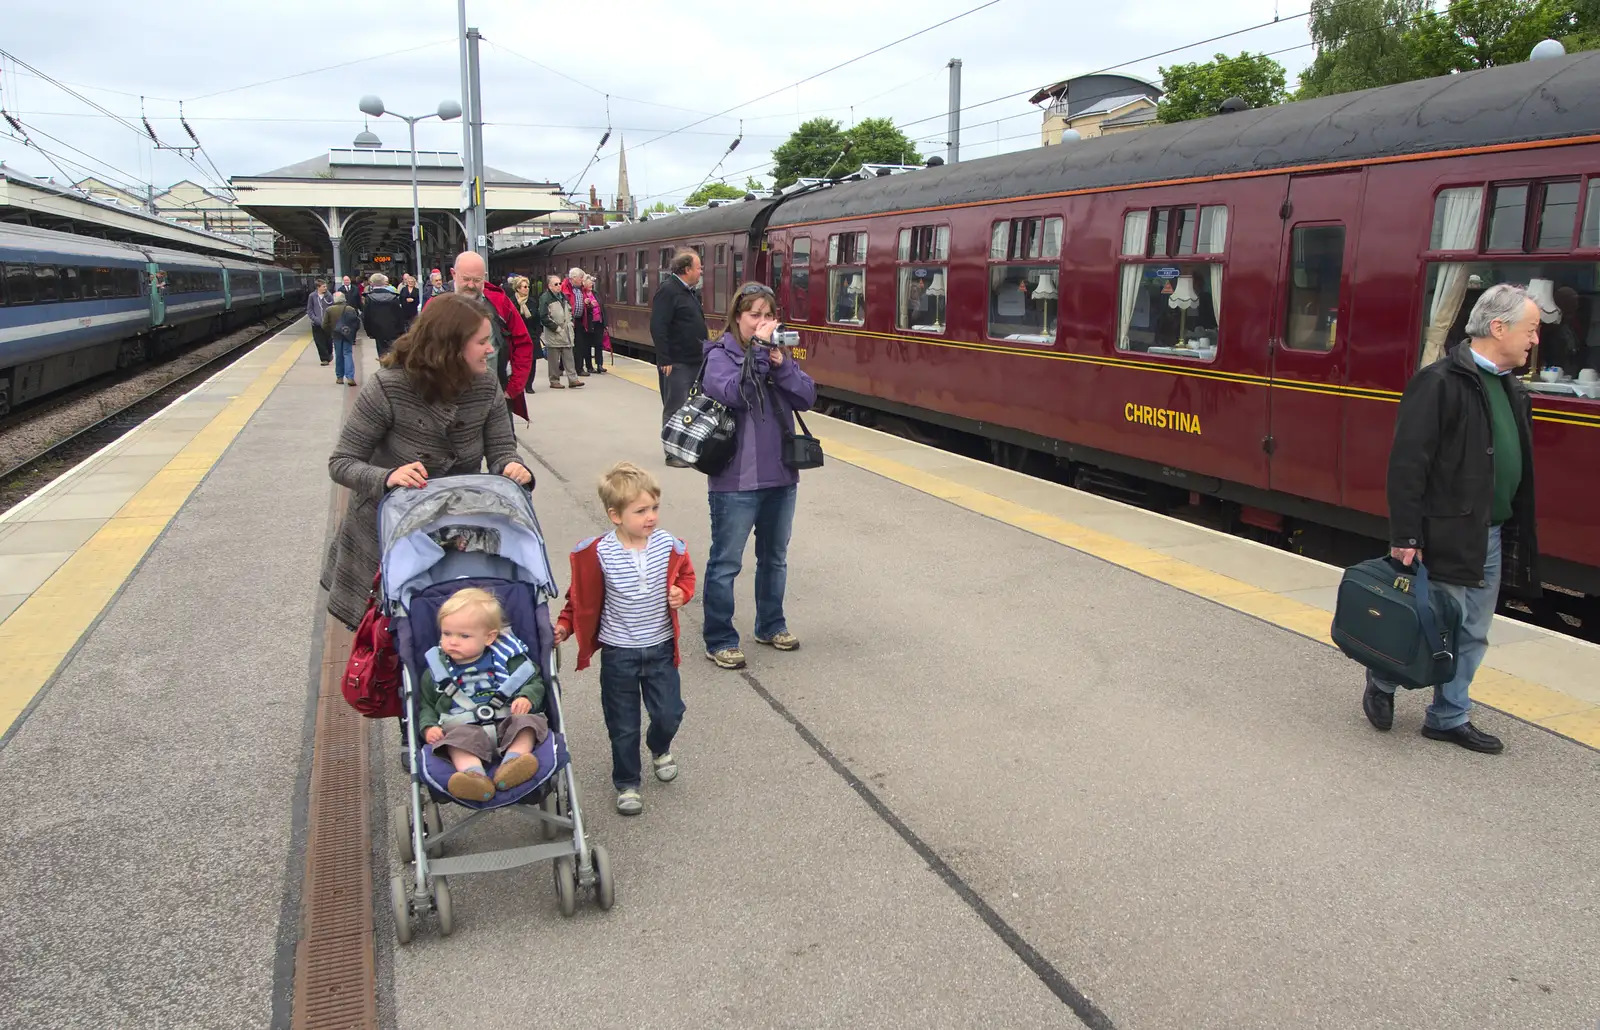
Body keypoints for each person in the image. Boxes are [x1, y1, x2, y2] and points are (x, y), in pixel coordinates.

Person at [1362, 283, 1540, 755]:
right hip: (1446, 531)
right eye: (1531, 329)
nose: (1535, 340)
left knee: (1473, 630)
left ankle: (1448, 716)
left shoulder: (1510, 388)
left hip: (1491, 533)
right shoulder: (1440, 381)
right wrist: (1405, 533)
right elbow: (1408, 463)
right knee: (1426, 623)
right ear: (1498, 327)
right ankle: (1383, 680)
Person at [321, 292, 535, 630]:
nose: (491, 349)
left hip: (454, 536)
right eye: (482, 342)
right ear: (451, 346)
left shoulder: (486, 385)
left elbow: (501, 450)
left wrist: (510, 467)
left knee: (454, 636)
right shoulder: (388, 386)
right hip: (386, 537)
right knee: (388, 645)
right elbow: (342, 462)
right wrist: (388, 476)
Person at [554, 462, 695, 815]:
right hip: (619, 653)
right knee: (622, 723)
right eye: (641, 511)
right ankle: (628, 782)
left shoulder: (669, 545)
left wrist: (682, 592)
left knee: (669, 713)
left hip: (660, 648)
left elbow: (686, 577)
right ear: (615, 515)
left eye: (654, 508)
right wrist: (564, 627)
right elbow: (579, 598)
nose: (651, 517)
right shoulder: (597, 553)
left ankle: (659, 746)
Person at [698, 282, 817, 670]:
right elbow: (736, 394)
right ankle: (719, 638)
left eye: (768, 315)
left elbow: (807, 396)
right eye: (754, 315)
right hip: (736, 480)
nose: (763, 323)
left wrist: (783, 367)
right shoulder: (720, 356)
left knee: (774, 558)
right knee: (726, 562)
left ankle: (771, 624)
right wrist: (762, 355)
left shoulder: (777, 353)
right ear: (737, 317)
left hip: (781, 476)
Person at [418, 587, 549, 801]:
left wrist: (526, 697)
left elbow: (533, 680)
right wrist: (429, 726)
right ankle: (473, 777)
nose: (452, 641)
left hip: (508, 719)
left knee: (527, 723)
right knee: (455, 741)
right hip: (464, 727)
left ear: (489, 638)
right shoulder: (437, 671)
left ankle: (513, 763)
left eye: (464, 636)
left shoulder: (508, 658)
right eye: (446, 633)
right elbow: (427, 704)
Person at [447, 251, 533, 422]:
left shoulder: (500, 303)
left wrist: (513, 388)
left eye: (477, 280)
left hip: (495, 396)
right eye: (465, 279)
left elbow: (522, 343)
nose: (471, 285)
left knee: (503, 445)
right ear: (453, 274)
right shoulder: (436, 307)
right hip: (450, 400)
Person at [651, 248, 708, 466]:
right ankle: (672, 453)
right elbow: (658, 326)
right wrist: (665, 359)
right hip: (676, 362)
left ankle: (687, 449)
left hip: (694, 360)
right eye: (698, 267)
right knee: (675, 407)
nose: (701, 271)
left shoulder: (688, 292)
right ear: (686, 269)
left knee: (692, 407)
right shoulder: (669, 291)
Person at [538, 273, 583, 389]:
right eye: (556, 284)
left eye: (559, 283)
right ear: (550, 286)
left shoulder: (563, 297)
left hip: (567, 332)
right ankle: (554, 380)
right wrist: (556, 328)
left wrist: (571, 323)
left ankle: (573, 379)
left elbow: (569, 311)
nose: (559, 286)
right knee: (553, 359)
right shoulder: (545, 298)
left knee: (569, 356)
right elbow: (543, 316)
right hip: (554, 333)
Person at [509, 275, 544, 393]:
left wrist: (537, 333)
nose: (527, 289)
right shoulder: (511, 302)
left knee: (532, 362)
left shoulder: (532, 301)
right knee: (518, 362)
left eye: (528, 286)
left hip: (531, 336)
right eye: (524, 287)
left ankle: (529, 385)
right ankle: (518, 383)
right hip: (517, 337)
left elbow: (537, 319)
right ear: (517, 288)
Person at [361, 273, 406, 359]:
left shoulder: (369, 298)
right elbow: (399, 315)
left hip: (377, 330)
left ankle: (383, 368)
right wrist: (401, 330)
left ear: (372, 283)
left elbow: (366, 317)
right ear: (384, 283)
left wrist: (369, 332)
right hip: (393, 330)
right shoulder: (393, 297)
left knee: (381, 353)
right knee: (393, 352)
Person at [323, 290, 361, 386]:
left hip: (336, 335)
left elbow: (324, 325)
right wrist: (352, 333)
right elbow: (356, 323)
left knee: (339, 355)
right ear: (344, 299)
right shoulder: (350, 309)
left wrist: (331, 332)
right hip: (347, 335)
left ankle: (339, 377)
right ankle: (350, 377)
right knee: (348, 354)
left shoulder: (329, 310)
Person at [306, 279, 333, 366]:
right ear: (318, 287)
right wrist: (315, 319)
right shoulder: (312, 296)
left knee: (328, 341)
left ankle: (329, 353)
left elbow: (332, 307)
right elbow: (309, 310)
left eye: (326, 286)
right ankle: (324, 359)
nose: (326, 288)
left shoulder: (329, 296)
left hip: (327, 323)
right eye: (323, 286)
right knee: (319, 342)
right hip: (316, 324)